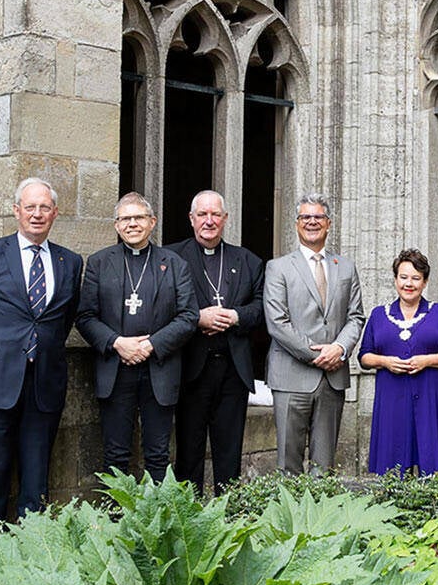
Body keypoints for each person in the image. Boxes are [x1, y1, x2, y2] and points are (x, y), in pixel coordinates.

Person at [0, 178, 82, 530]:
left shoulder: (70, 262)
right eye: (30, 207)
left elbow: (63, 318)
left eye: (45, 207)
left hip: (43, 383)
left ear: (55, 213)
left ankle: (29, 559)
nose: (37, 214)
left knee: (36, 478)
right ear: (16, 211)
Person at [77, 192, 197, 481]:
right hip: (115, 370)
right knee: (115, 455)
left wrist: (151, 345)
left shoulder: (174, 263)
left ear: (152, 222)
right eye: (125, 219)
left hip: (160, 369)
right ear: (117, 225)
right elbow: (85, 317)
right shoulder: (99, 262)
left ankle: (154, 524)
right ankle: (117, 522)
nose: (132, 224)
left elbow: (189, 316)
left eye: (138, 217)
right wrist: (118, 343)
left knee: (158, 455)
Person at [166, 190, 264, 494]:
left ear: (225, 219)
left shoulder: (247, 259)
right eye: (203, 215)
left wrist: (234, 316)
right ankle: (190, 516)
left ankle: (228, 517)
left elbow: (261, 306)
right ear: (192, 219)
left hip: (233, 371)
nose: (209, 221)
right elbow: (163, 304)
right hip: (190, 370)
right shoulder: (171, 257)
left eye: (215, 215)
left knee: (229, 452)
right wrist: (197, 318)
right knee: (188, 452)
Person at [263, 192, 366, 474]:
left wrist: (340, 349)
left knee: (325, 467)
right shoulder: (278, 268)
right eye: (305, 217)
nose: (312, 222)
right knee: (288, 465)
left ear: (328, 223)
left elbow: (356, 316)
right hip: (291, 377)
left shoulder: (345, 267)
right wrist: (317, 354)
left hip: (332, 380)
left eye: (318, 217)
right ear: (296, 224)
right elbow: (277, 323)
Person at [359, 248, 438, 475]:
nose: (409, 284)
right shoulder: (379, 314)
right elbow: (364, 356)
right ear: (396, 279)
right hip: (391, 399)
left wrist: (428, 361)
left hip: (430, 397)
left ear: (425, 282)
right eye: (404, 277)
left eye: (416, 278)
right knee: (393, 469)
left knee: (431, 468)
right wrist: (386, 362)